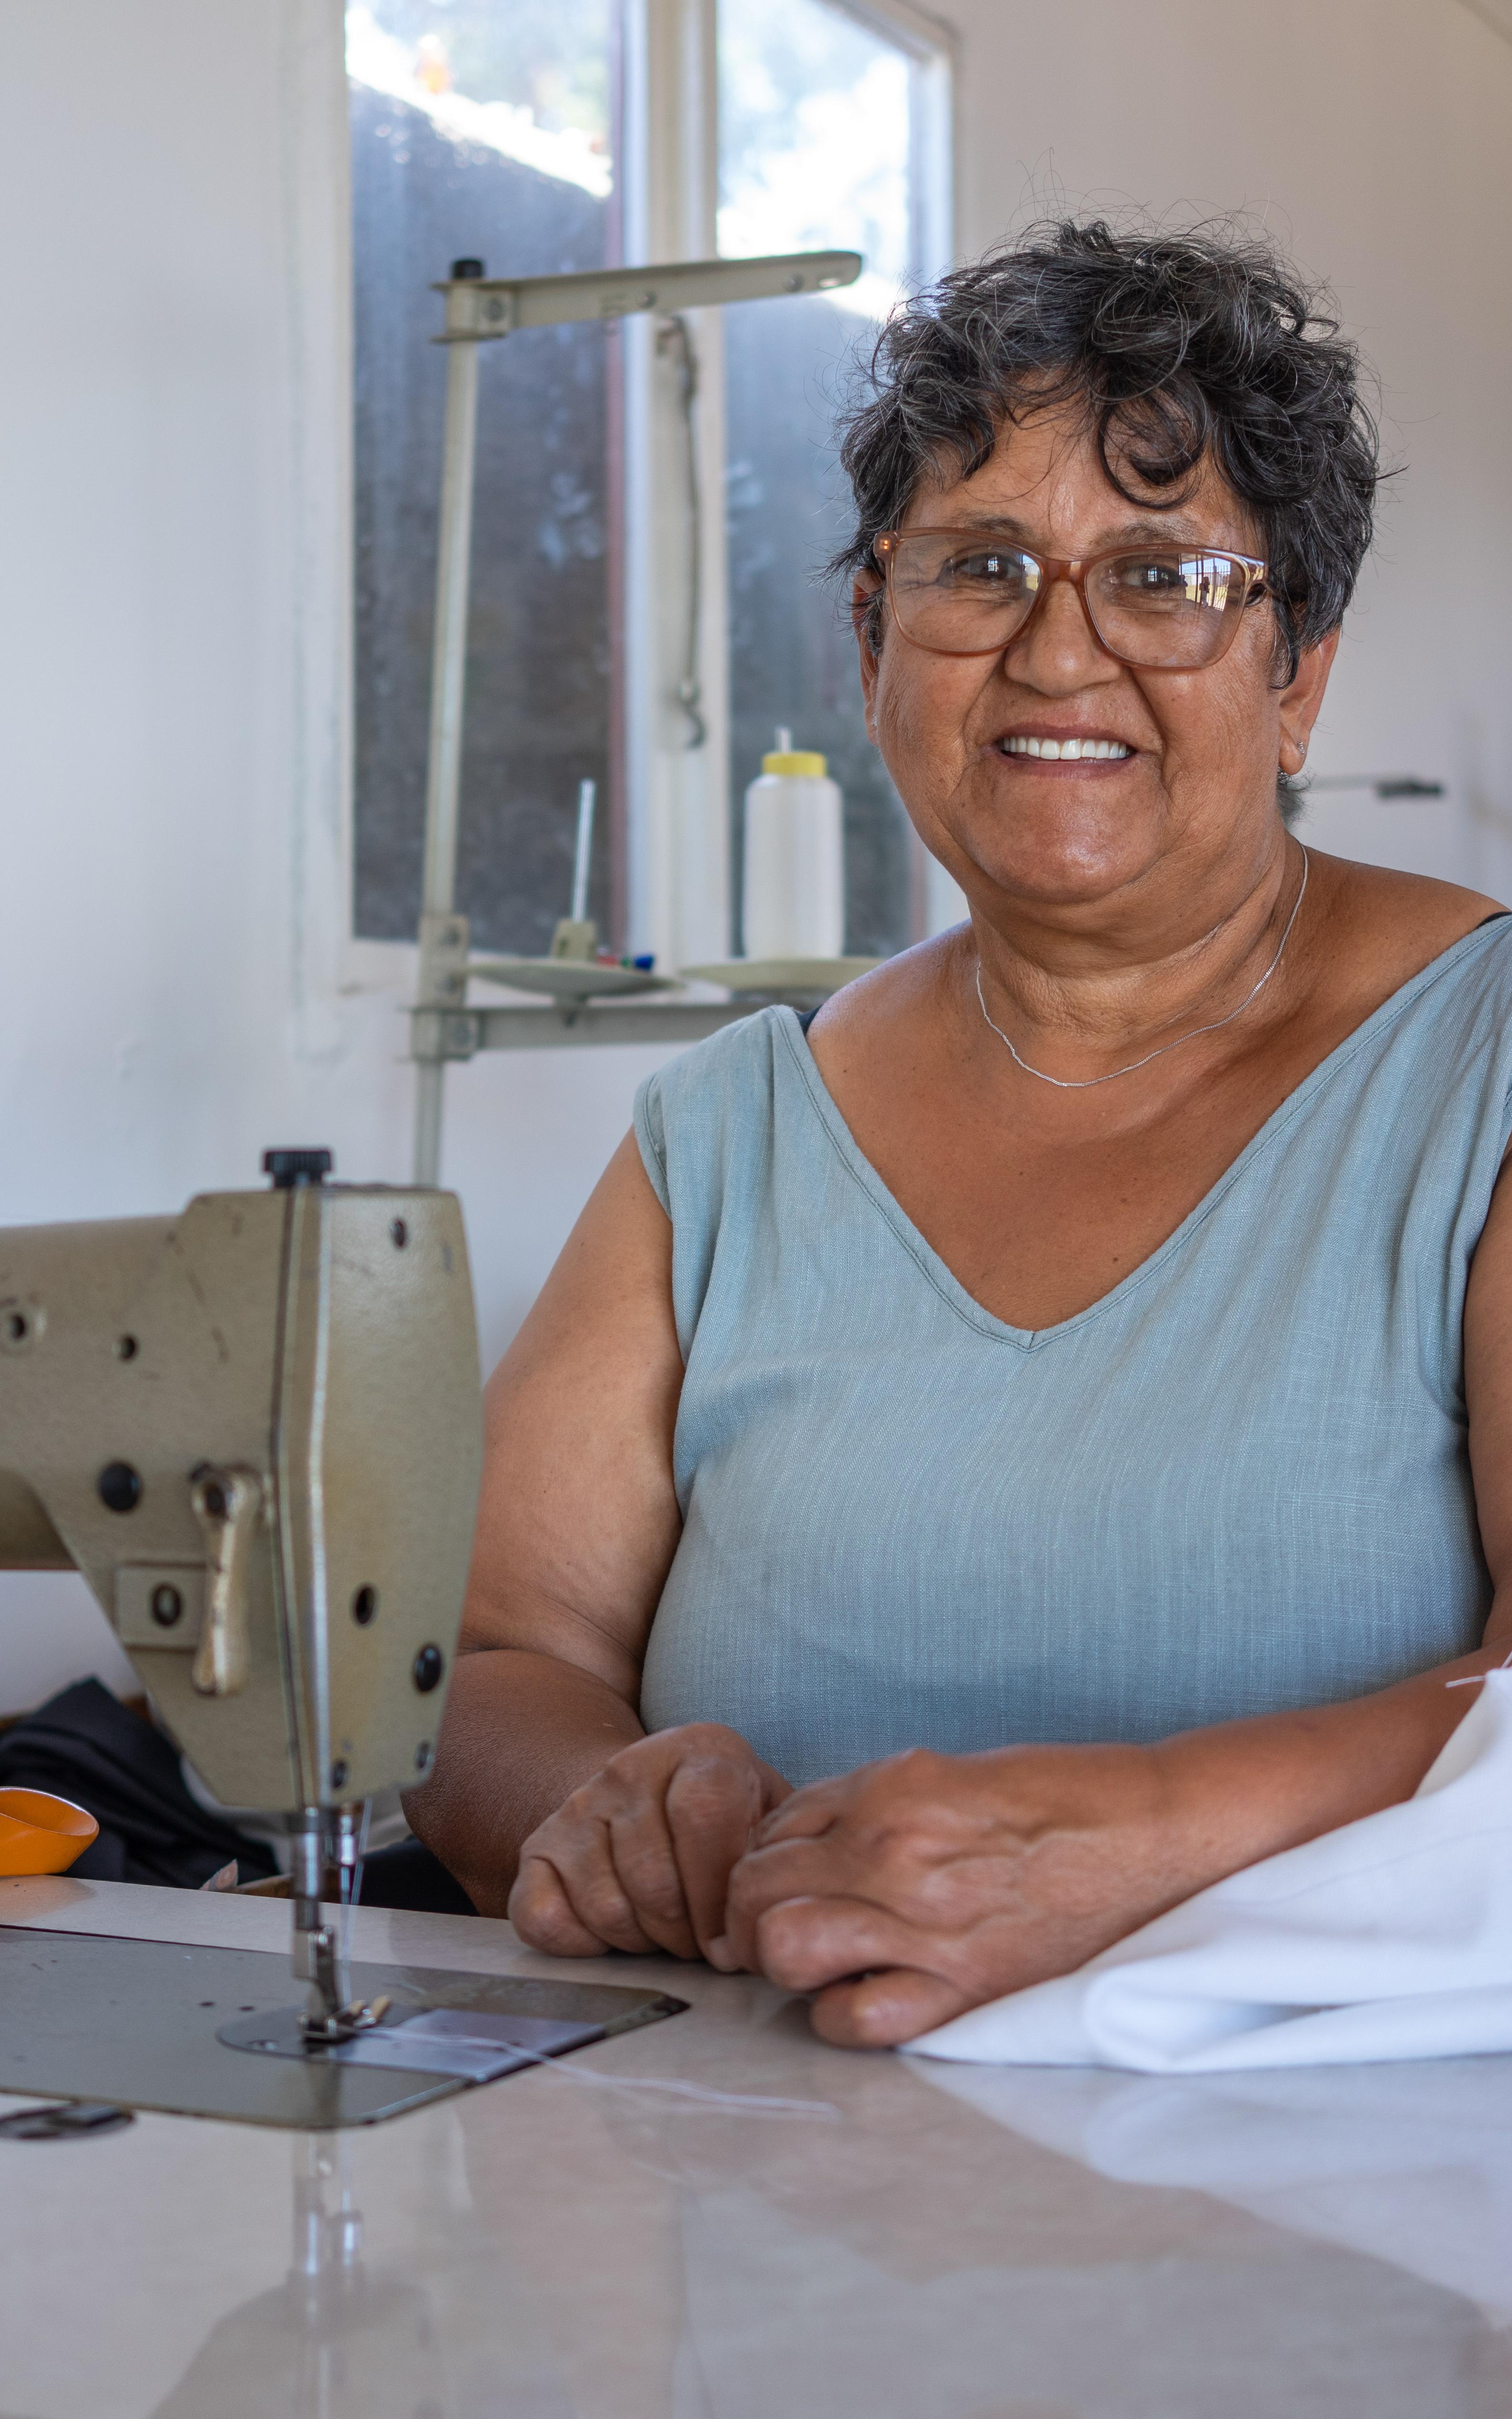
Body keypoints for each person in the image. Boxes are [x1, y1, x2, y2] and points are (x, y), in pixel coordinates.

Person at [405, 220, 1512, 2048]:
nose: (1056, 650)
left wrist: (1140, 1840)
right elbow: (501, 1660)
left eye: (1161, 578)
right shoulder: (729, 1136)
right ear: (872, 637)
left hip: (1340, 2199)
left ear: (1297, 671)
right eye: (979, 565)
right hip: (757, 2191)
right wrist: (599, 1804)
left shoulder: (1476, 1061)